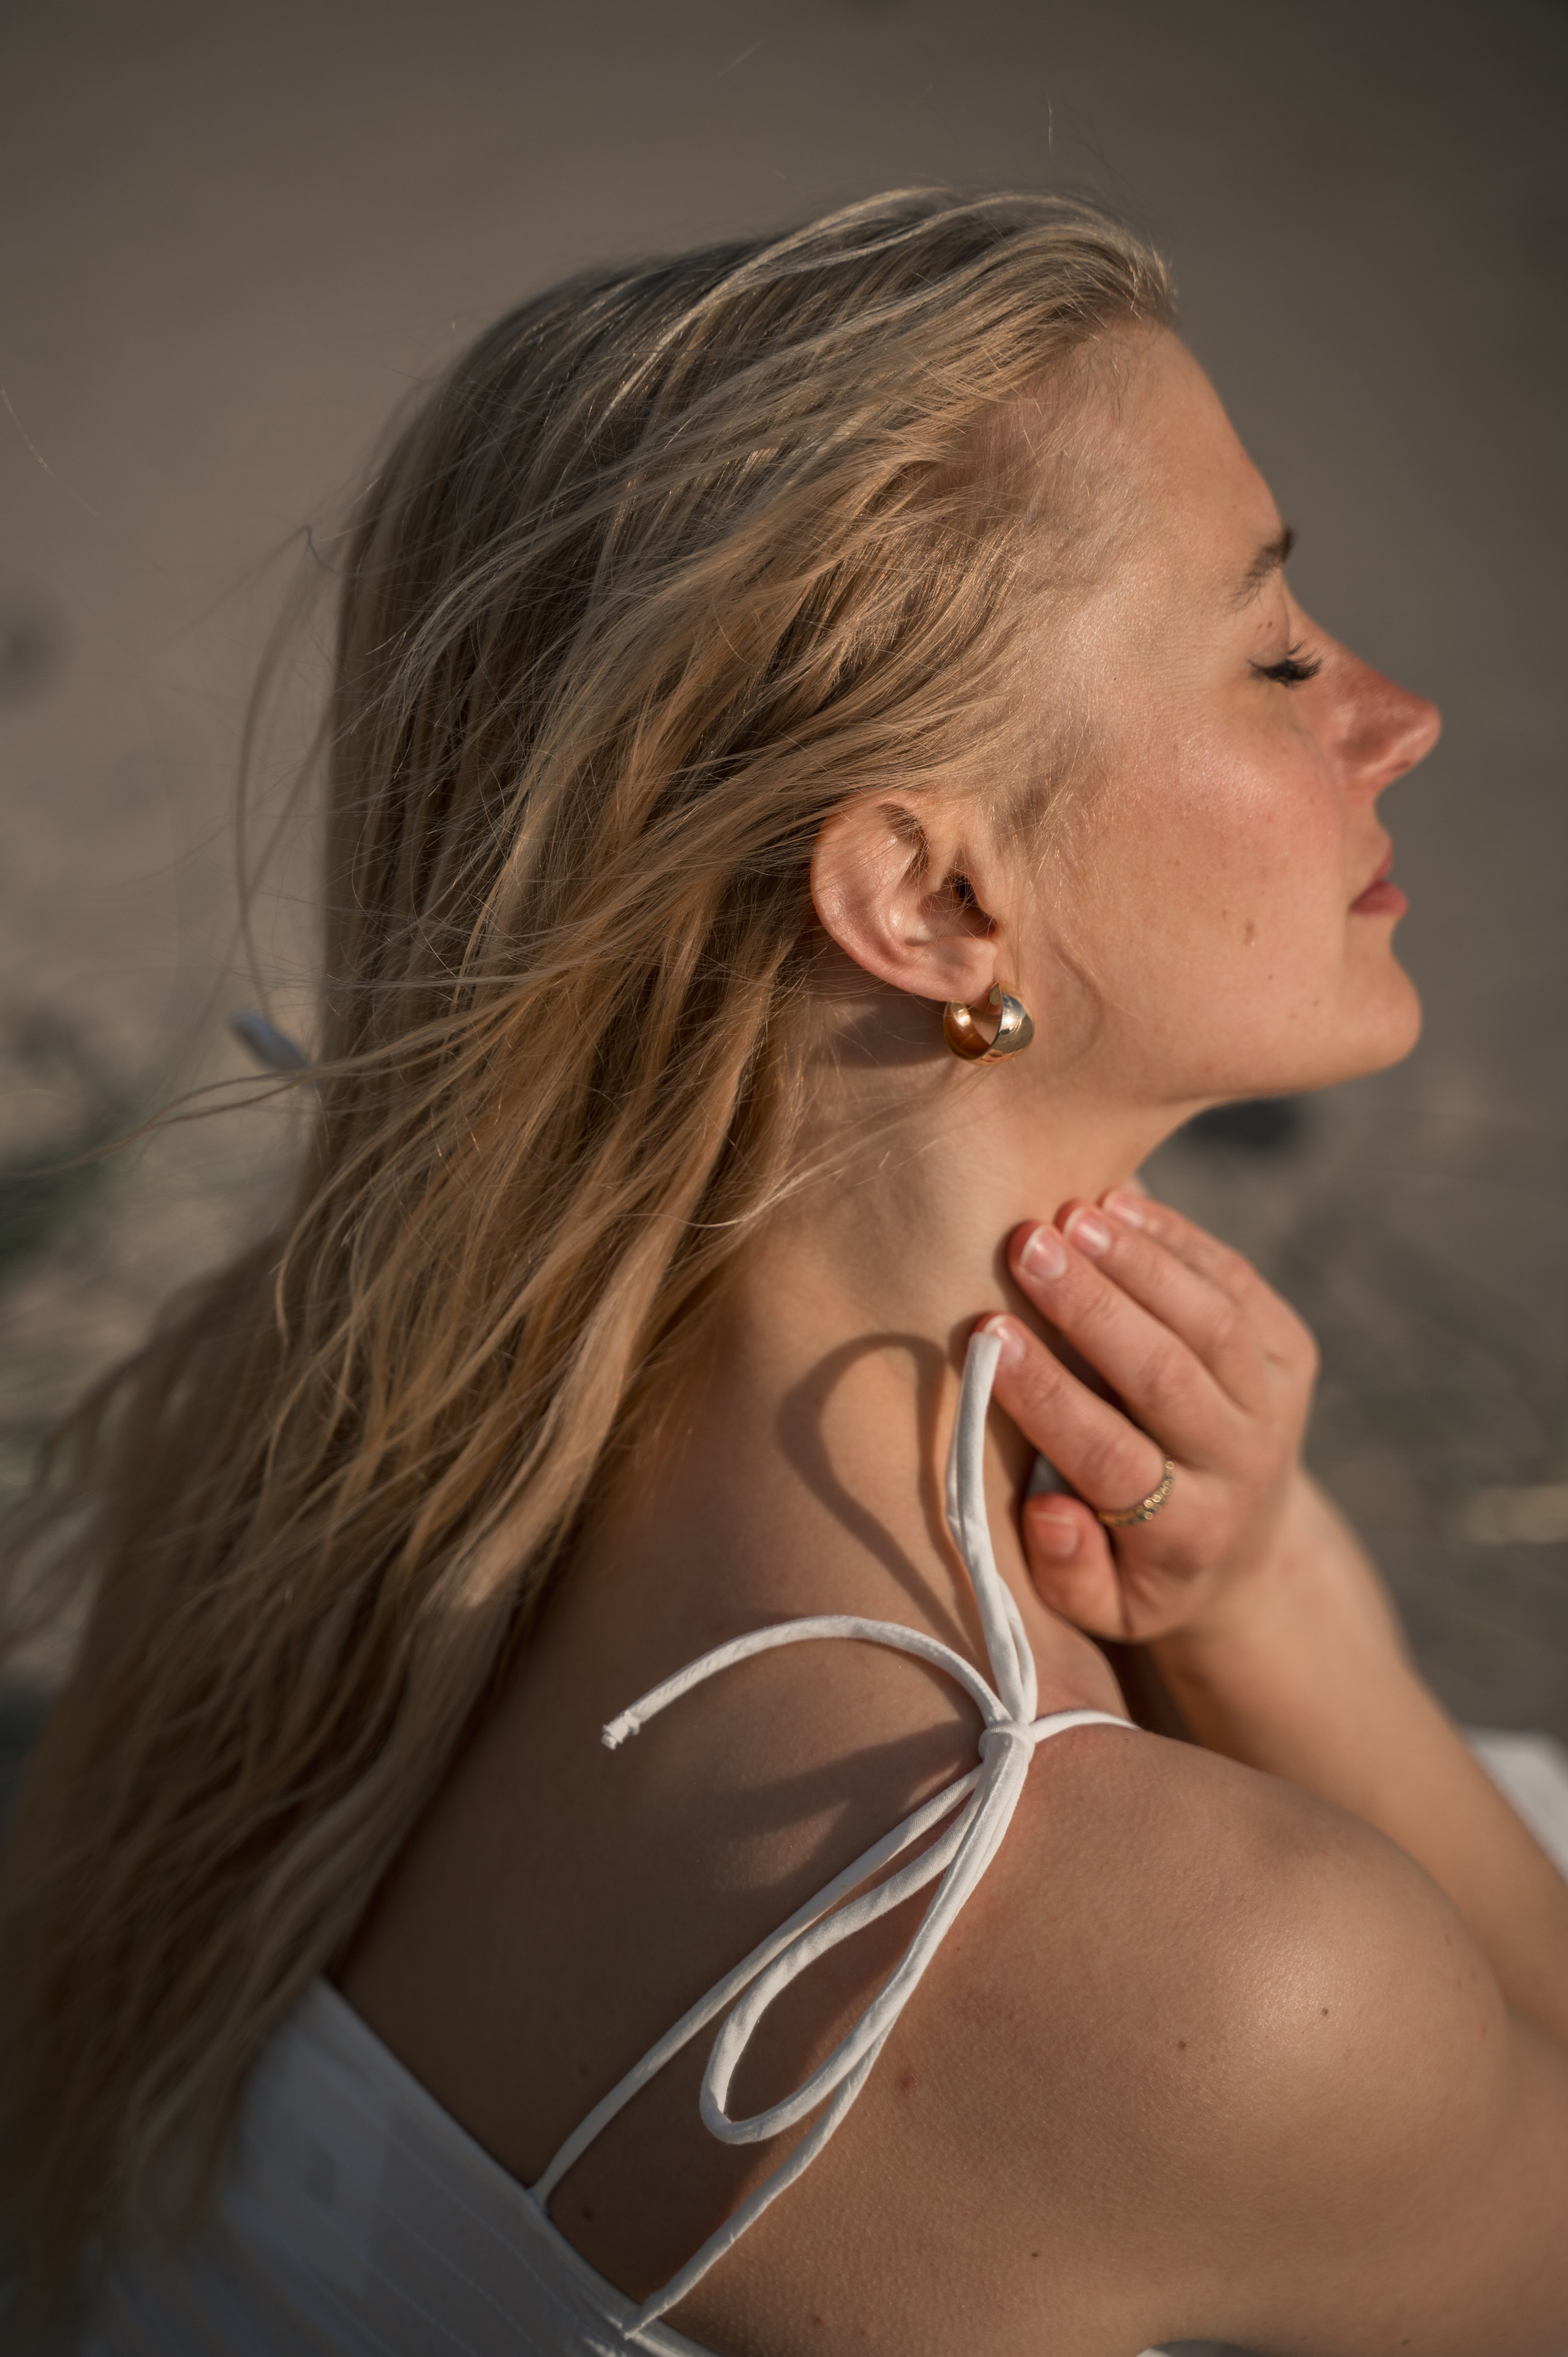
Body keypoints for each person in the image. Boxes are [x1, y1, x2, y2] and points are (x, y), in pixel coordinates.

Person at [2, 189, 1566, 2357]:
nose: (1391, 716)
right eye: (1275, 651)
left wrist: (1246, 1578)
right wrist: (1300, 1621)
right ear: (928, 902)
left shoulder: (329, 1428)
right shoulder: (1193, 1969)